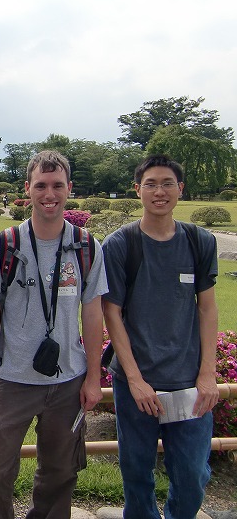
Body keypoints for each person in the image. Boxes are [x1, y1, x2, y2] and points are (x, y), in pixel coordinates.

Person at [0, 150, 106, 519]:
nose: (50, 194)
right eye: (41, 185)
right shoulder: (6, 244)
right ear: (27, 189)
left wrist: (93, 378)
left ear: (69, 189)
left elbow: (93, 312)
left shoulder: (85, 246)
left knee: (60, 471)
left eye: (57, 185)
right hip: (14, 377)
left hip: (68, 379)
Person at [102, 154, 218, 519]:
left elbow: (207, 308)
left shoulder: (199, 241)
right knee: (136, 472)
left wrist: (207, 373)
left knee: (192, 474)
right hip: (136, 380)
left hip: (187, 379)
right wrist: (135, 380)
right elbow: (112, 313)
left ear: (180, 189)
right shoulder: (121, 244)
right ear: (137, 190)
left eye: (167, 183)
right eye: (150, 184)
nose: (159, 191)